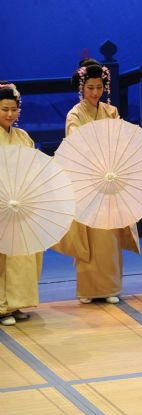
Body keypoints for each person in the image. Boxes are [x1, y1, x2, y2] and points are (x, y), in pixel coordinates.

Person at [52, 59, 140, 304]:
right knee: (88, 238)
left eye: (99, 87)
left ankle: (110, 287)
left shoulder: (111, 112)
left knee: (108, 235)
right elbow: (76, 143)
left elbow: (119, 141)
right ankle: (88, 289)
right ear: (82, 88)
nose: (94, 93)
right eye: (90, 88)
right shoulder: (75, 114)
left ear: (105, 87)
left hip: (109, 179)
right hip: (87, 181)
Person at [0, 83, 42, 326]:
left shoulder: (23, 137)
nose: (9, 115)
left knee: (20, 256)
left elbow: (32, 168)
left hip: (21, 204)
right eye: (4, 109)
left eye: (13, 110)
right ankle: (2, 306)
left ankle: (15, 303)